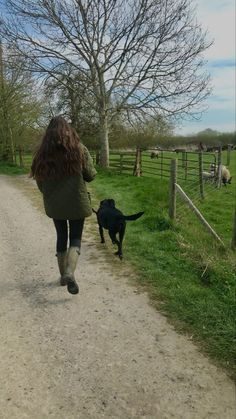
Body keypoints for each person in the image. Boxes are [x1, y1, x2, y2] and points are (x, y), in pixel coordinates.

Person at [30, 116, 97, 295]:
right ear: (68, 130)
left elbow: (40, 182)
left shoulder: (41, 154)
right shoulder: (79, 149)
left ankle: (63, 276)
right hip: (77, 201)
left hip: (54, 204)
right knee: (75, 238)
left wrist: (50, 195)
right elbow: (91, 175)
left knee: (61, 236)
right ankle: (70, 272)